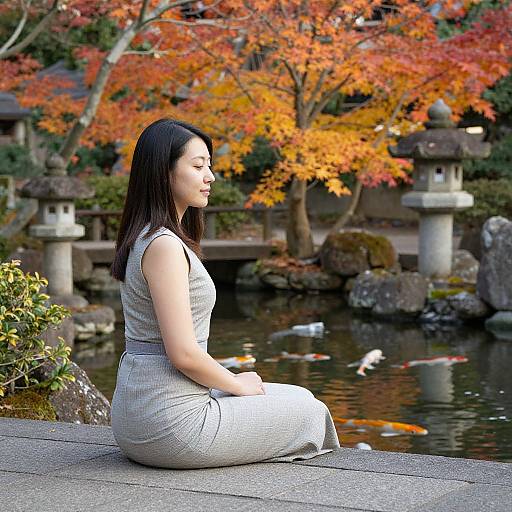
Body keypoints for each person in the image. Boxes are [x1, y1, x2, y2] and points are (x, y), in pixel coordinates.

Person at [110, 118, 340, 469]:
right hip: (170, 426)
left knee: (299, 394)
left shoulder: (145, 236)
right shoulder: (164, 246)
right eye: (198, 165)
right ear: (163, 172)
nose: (210, 176)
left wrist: (234, 385)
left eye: (210, 166)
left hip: (141, 413)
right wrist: (235, 383)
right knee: (310, 412)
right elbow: (183, 354)